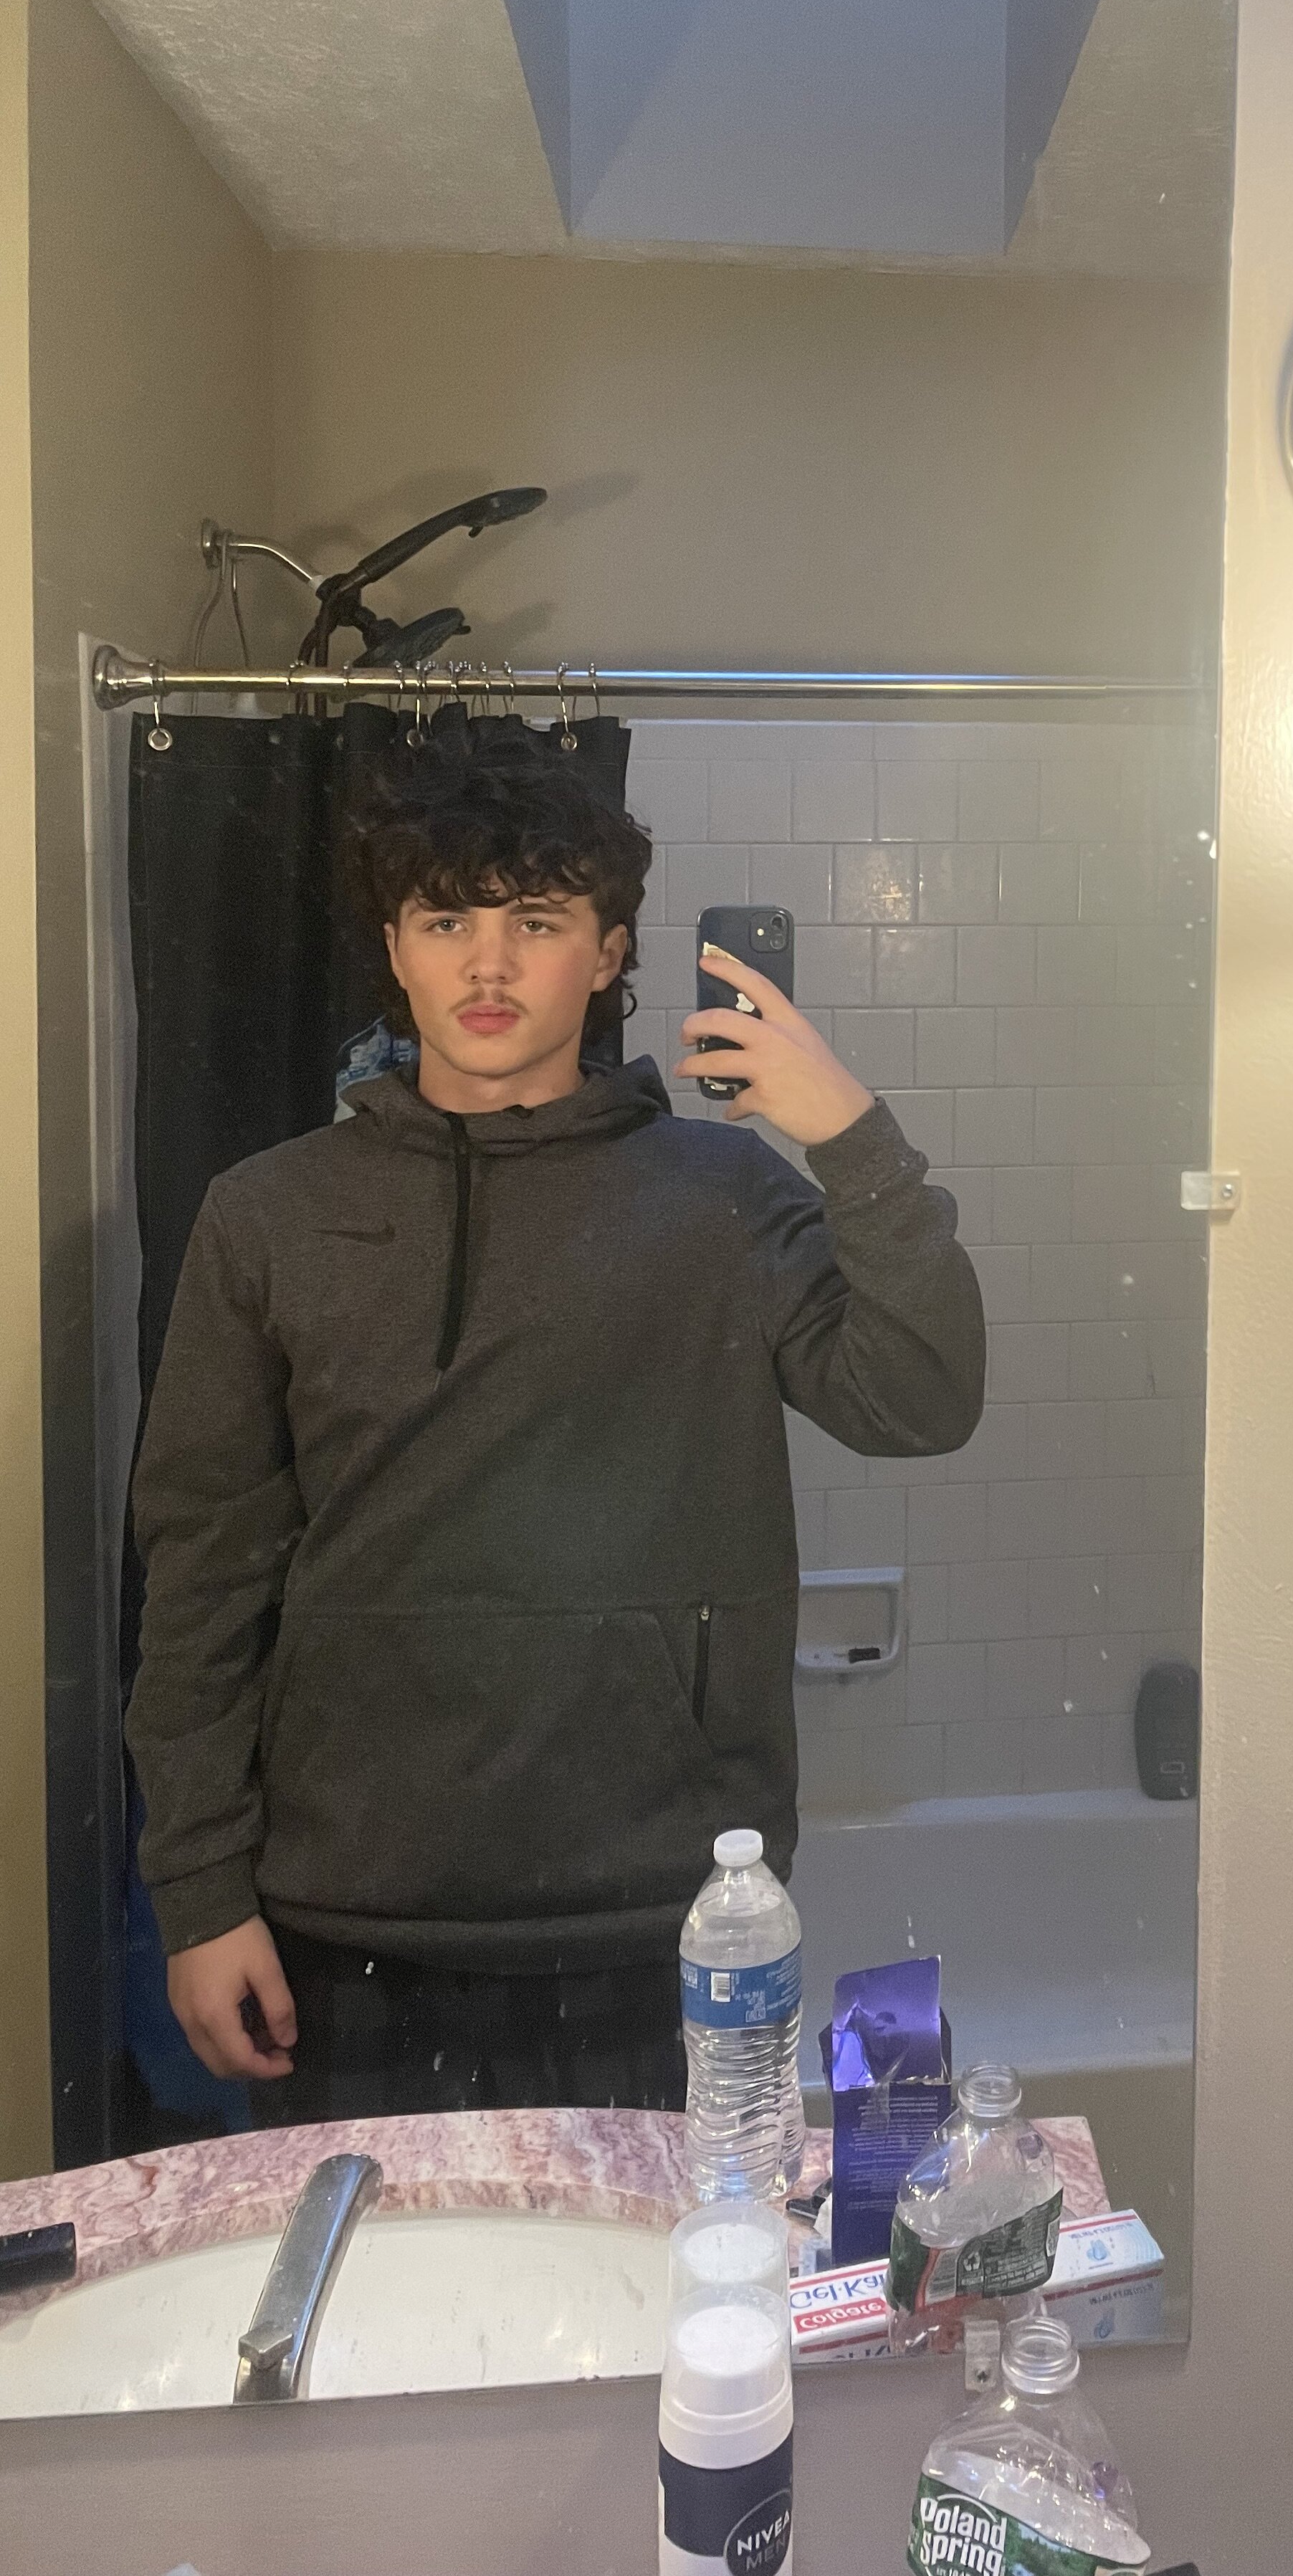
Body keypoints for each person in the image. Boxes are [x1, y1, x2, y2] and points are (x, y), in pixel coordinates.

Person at [124, 727, 984, 2120]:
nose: (487, 966)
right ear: (394, 951)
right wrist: (199, 1889)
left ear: (607, 953)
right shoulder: (269, 1215)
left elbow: (923, 1398)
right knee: (371, 2269)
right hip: (343, 1913)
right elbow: (201, 1569)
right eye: (444, 920)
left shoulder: (722, 1200)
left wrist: (851, 1140)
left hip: (669, 1913)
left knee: (660, 2270)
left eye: (534, 921)